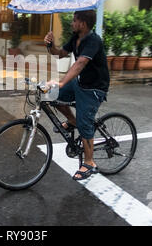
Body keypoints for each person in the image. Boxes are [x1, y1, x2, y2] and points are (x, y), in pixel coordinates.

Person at [45, 10, 110, 180]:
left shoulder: (93, 40)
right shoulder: (75, 38)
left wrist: (62, 82)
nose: (72, 23)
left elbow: (80, 63)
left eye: (74, 21)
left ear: (82, 23)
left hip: (94, 87)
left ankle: (89, 163)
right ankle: (73, 122)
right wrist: (50, 45)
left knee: (85, 123)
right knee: (55, 97)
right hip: (81, 82)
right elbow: (59, 54)